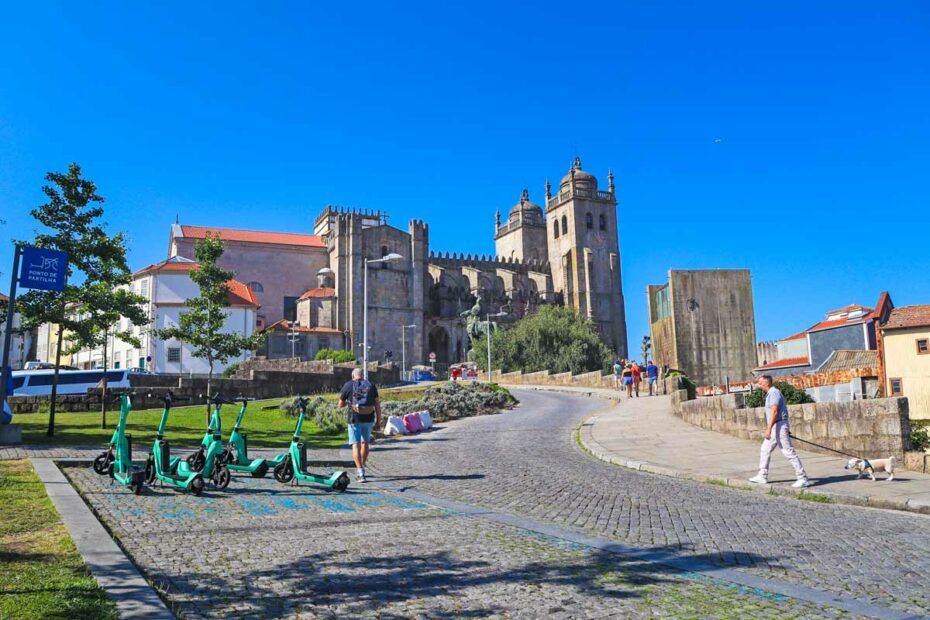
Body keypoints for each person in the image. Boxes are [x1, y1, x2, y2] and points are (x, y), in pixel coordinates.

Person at [749, 375, 810, 488]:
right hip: (777, 426)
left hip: (778, 425)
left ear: (766, 383)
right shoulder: (771, 393)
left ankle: (802, 477)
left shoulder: (774, 393)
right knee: (765, 449)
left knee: (788, 451)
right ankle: (762, 475)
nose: (759, 385)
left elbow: (775, 411)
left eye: (760, 383)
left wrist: (769, 429)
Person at [338, 367, 382, 483]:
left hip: (354, 418)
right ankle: (362, 467)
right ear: (363, 376)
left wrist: (347, 401)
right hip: (368, 418)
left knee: (355, 444)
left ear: (353, 376)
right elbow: (377, 404)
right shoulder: (371, 386)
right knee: (365, 443)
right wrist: (378, 421)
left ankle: (360, 471)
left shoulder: (348, 385)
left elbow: (340, 404)